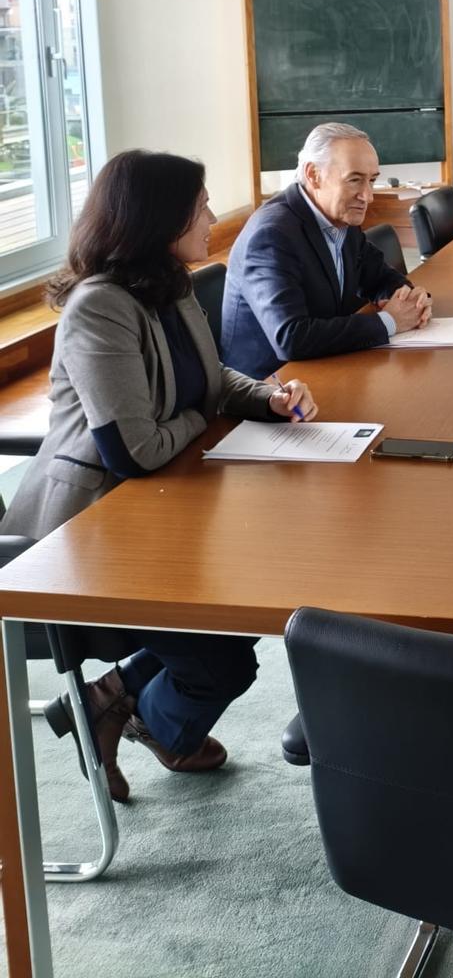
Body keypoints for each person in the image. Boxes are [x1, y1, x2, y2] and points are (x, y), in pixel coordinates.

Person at [0, 150, 318, 802]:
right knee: (224, 657)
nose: (209, 214)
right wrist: (205, 414)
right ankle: (137, 716)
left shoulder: (170, 284)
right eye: (198, 205)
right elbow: (133, 449)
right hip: (83, 539)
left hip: (164, 506)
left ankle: (112, 701)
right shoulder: (99, 308)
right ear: (158, 218)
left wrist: (268, 397)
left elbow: (209, 380)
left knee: (245, 606)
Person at [222, 121, 432, 379]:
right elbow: (291, 338)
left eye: (372, 181)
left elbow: (378, 275)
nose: (367, 196)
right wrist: (389, 321)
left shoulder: (339, 215)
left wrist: (409, 299)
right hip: (272, 391)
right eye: (355, 180)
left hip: (328, 369)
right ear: (313, 175)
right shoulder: (272, 235)